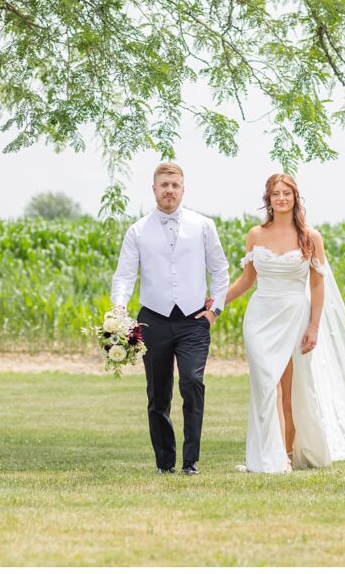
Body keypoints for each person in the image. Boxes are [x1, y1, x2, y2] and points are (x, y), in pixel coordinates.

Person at [225, 173, 345, 473]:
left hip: (295, 315)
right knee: (265, 385)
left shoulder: (311, 237)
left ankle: (286, 455)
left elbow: (316, 285)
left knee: (290, 390)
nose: (281, 198)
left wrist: (314, 326)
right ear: (268, 199)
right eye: (275, 193)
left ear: (295, 197)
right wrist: (214, 303)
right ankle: (267, 456)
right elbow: (247, 280)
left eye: (286, 193)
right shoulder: (255, 235)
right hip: (260, 315)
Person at [110, 162, 230, 475]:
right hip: (153, 320)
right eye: (164, 185)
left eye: (175, 185)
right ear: (154, 189)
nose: (169, 190)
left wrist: (214, 310)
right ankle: (165, 463)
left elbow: (220, 270)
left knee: (192, 382)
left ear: (183, 188)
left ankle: (190, 462)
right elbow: (124, 275)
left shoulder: (204, 225)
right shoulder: (137, 230)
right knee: (158, 394)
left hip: (194, 320)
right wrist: (119, 311)